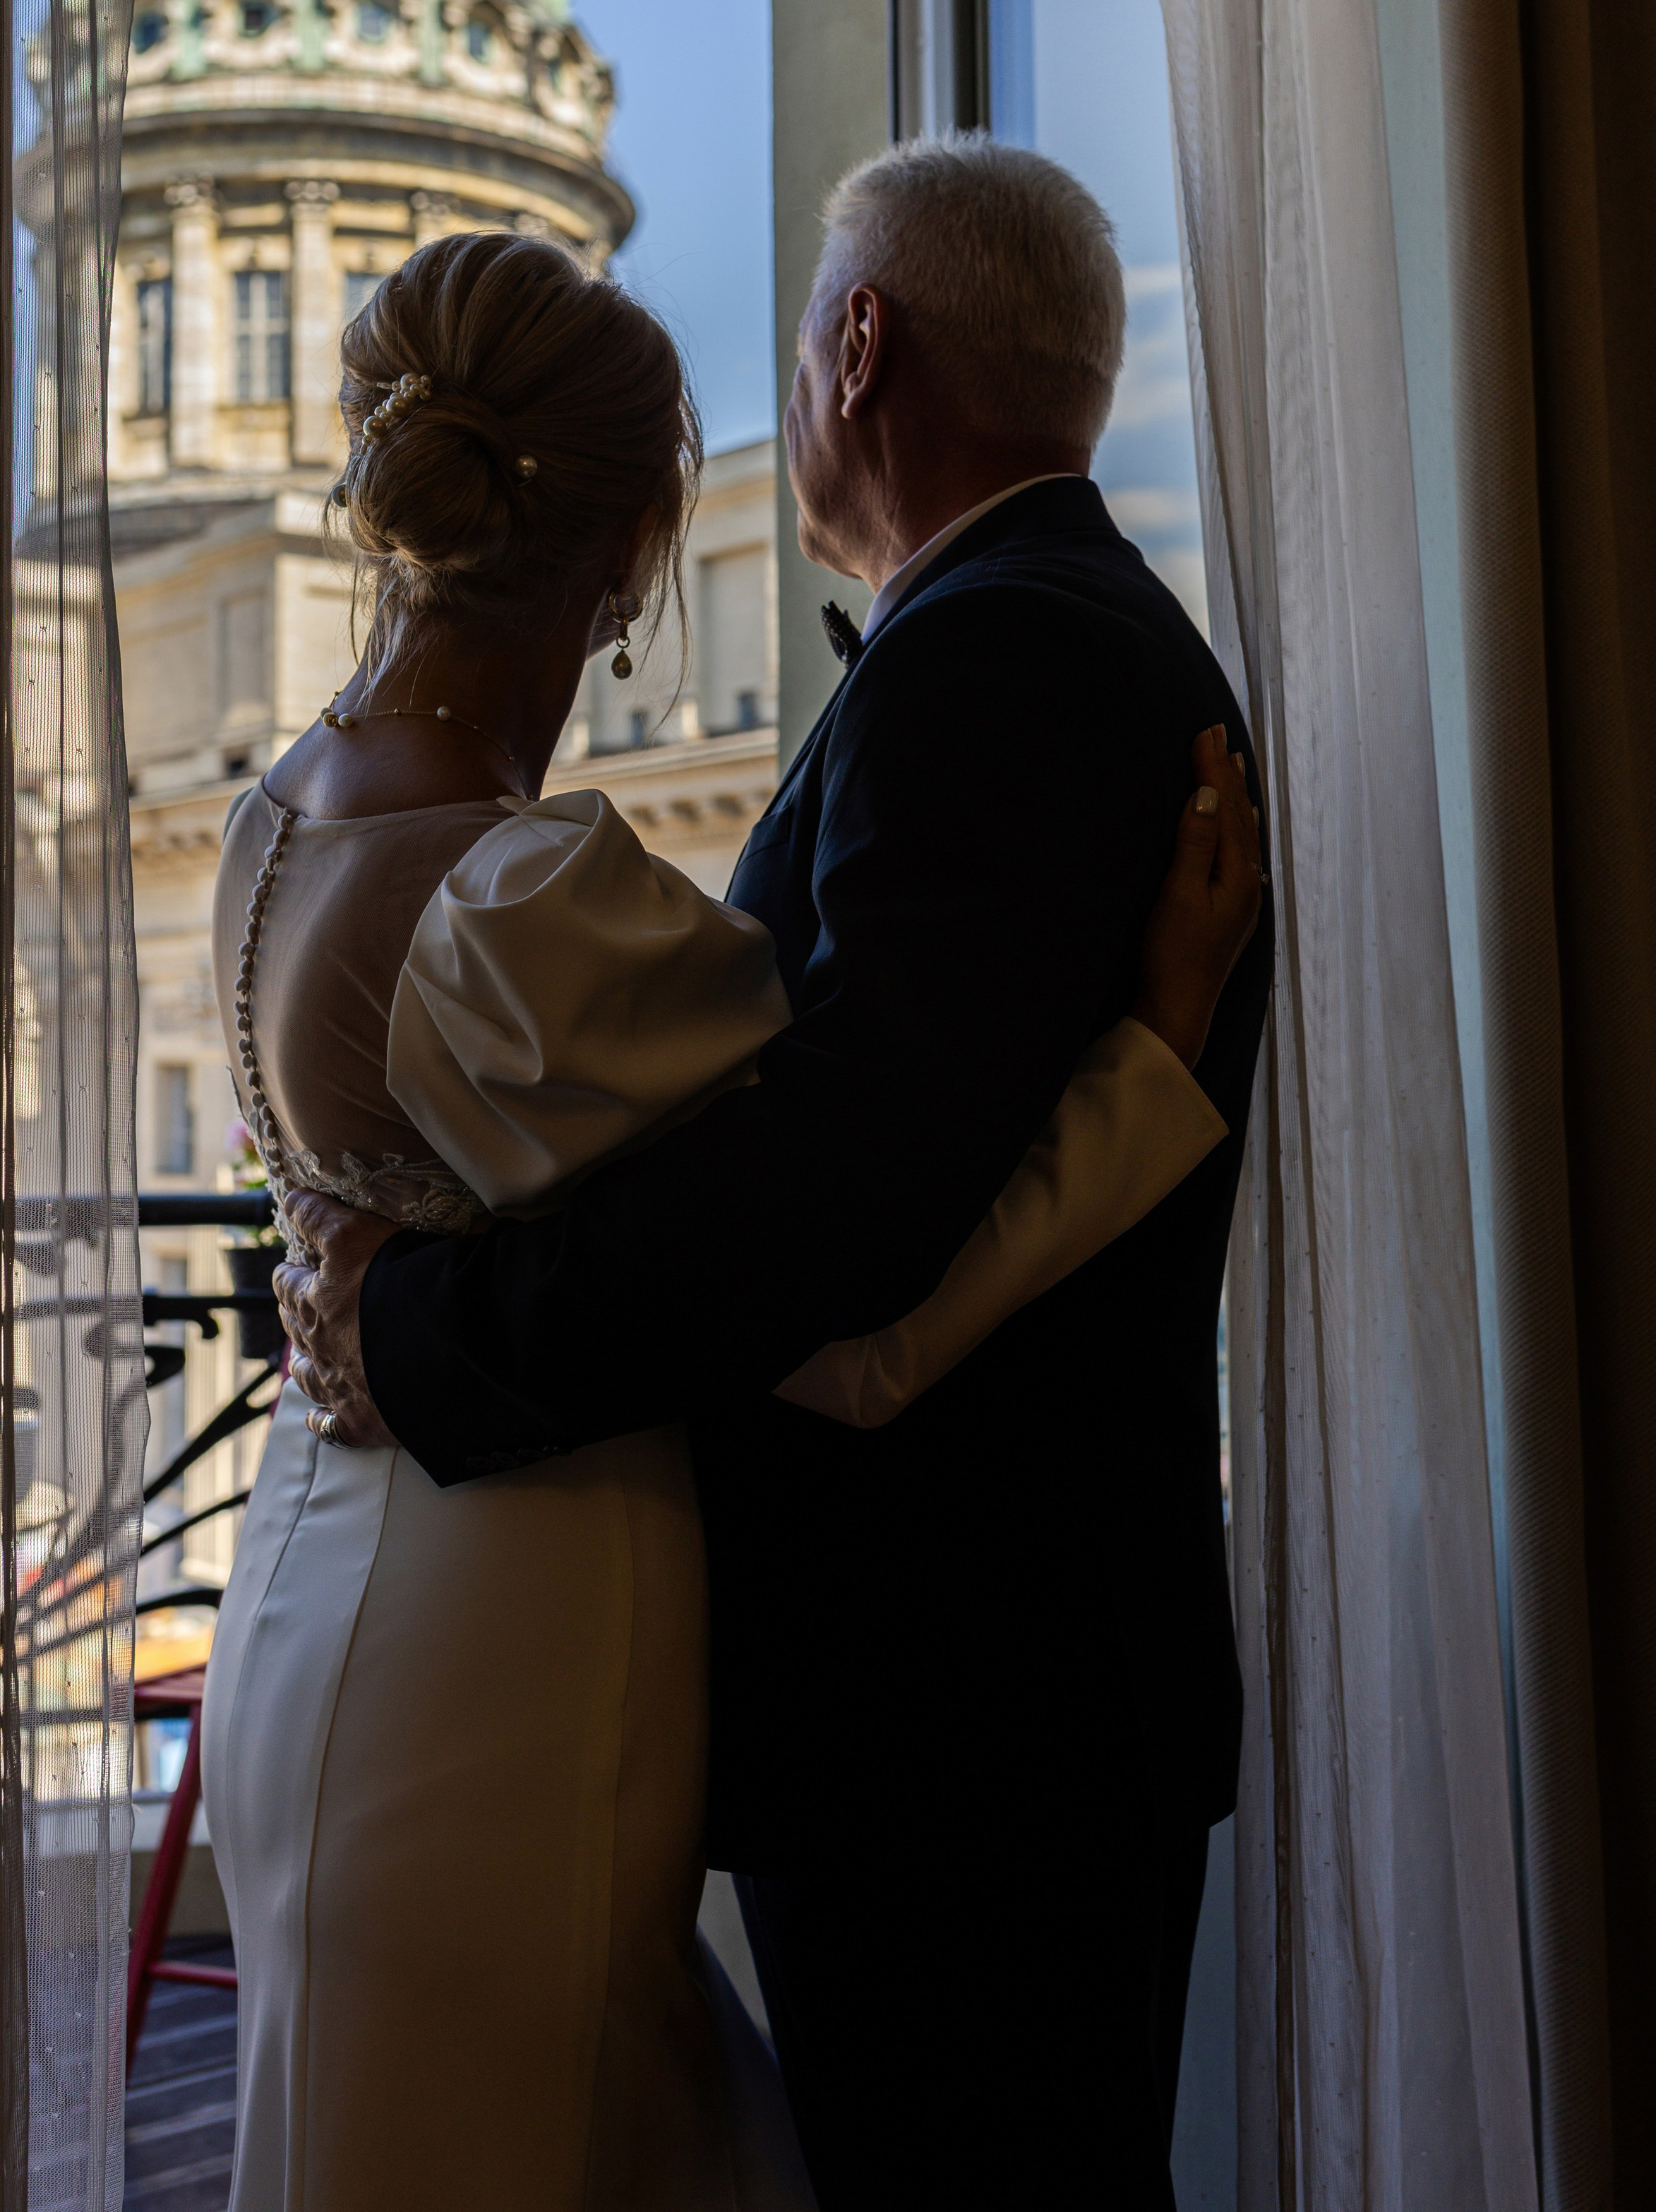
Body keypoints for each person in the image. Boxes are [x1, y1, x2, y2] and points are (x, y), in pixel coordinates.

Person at [260, 148, 1273, 2211]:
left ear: (859, 346)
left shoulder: (1001, 652)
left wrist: (412, 1326)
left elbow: (819, 1207)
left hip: (963, 1729)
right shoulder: (1018, 636)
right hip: (955, 1709)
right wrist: (1155, 1061)